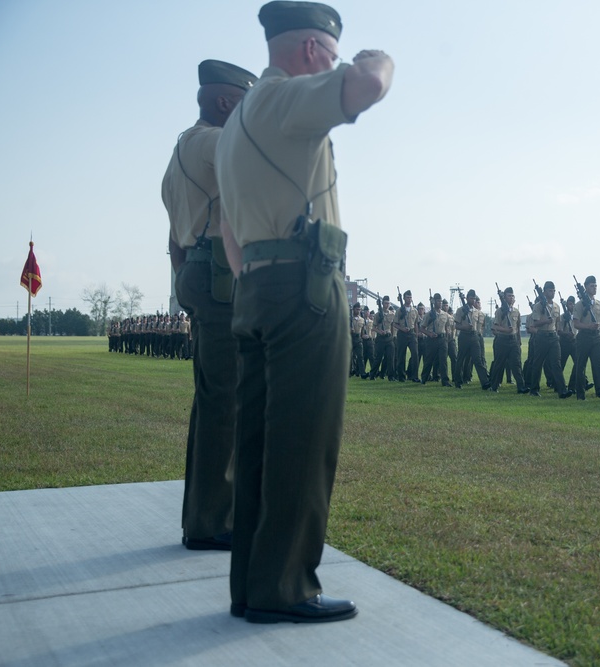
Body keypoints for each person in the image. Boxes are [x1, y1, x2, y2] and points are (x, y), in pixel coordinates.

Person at [216, 0, 393, 624]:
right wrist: (376, 58)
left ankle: (253, 586)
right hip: (304, 284)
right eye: (332, 52)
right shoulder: (286, 98)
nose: (336, 62)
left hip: (258, 284)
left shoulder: (237, 121)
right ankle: (287, 587)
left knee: (260, 443)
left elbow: (226, 228)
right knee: (303, 439)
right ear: (315, 51)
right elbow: (368, 84)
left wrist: (254, 280)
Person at [163, 59, 256, 551]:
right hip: (222, 278)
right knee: (226, 402)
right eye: (246, 101)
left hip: (201, 273)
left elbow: (172, 238)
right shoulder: (217, 143)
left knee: (215, 399)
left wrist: (184, 278)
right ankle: (212, 522)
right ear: (225, 102)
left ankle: (207, 515)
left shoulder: (181, 149)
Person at [526, 281, 573, 398]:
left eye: (553, 291)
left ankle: (562, 390)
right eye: (550, 291)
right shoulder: (538, 306)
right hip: (541, 336)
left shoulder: (556, 306)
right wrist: (545, 321)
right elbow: (535, 323)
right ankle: (534, 389)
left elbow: (557, 324)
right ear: (544, 292)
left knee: (556, 363)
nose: (552, 293)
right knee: (538, 363)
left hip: (553, 337)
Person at [488, 287, 528, 393]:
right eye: (509, 296)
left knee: (516, 364)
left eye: (512, 296)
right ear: (504, 298)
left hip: (513, 340)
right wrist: (506, 330)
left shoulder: (516, 312)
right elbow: (496, 326)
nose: (511, 298)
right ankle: (494, 386)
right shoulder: (499, 311)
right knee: (499, 364)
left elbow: (518, 327)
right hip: (502, 340)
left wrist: (519, 340)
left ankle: (521, 387)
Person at [455, 289, 489, 389]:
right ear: (467, 298)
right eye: (471, 298)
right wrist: (464, 327)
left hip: (474, 336)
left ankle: (485, 382)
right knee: (461, 359)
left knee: (478, 359)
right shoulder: (461, 310)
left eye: (474, 298)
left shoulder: (476, 312)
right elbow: (456, 325)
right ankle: (458, 381)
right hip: (464, 336)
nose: (473, 300)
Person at [419, 293, 451, 386]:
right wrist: (429, 334)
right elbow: (422, 328)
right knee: (429, 360)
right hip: (431, 340)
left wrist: (447, 336)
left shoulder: (445, 315)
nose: (440, 303)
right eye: (438, 301)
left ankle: (445, 381)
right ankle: (424, 378)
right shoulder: (429, 314)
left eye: (441, 301)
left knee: (443, 360)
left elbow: (447, 327)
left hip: (442, 339)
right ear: (434, 302)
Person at [393, 290, 420, 382]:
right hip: (402, 334)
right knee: (401, 356)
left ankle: (414, 376)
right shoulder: (399, 310)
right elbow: (395, 324)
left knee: (415, 354)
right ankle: (401, 376)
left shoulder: (414, 310)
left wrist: (416, 334)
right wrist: (402, 328)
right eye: (407, 297)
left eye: (410, 297)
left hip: (411, 334)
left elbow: (416, 323)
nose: (409, 299)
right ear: (404, 298)